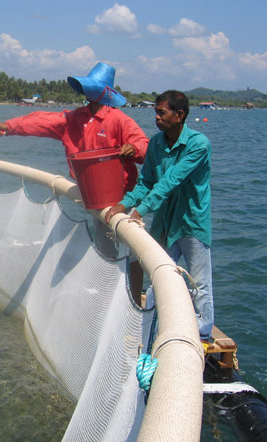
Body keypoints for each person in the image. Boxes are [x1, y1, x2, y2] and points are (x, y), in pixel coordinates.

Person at [0, 62, 148, 303]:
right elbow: (42, 121)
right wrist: (10, 126)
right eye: (87, 87)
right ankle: (110, 297)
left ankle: (133, 298)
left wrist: (133, 148)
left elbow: (144, 146)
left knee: (131, 247)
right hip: (94, 196)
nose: (88, 92)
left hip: (122, 196)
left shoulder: (119, 120)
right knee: (107, 248)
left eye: (92, 87)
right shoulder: (75, 118)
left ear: (104, 92)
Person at [105, 90, 214, 344]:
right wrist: (124, 204)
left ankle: (204, 335)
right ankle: (151, 332)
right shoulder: (155, 143)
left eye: (161, 112)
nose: (156, 117)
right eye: (155, 111)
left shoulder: (198, 144)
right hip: (164, 222)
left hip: (191, 223)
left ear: (180, 115)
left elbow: (171, 181)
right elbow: (146, 183)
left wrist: (140, 211)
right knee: (156, 279)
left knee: (200, 284)